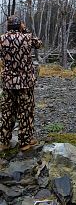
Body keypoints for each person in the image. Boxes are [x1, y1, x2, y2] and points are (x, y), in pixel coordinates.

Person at [0, 15, 42, 151]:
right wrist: (25, 30)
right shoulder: (28, 37)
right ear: (20, 25)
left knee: (7, 112)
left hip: (8, 83)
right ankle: (25, 142)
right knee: (26, 111)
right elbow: (39, 44)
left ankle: (4, 141)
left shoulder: (1, 39)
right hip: (25, 83)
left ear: (8, 26)